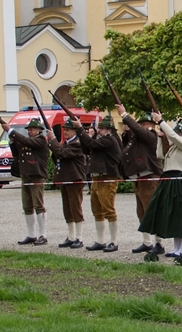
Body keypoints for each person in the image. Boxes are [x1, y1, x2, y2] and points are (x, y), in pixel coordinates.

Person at [139, 115, 182, 265]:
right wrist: (160, 138)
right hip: (168, 178)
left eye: (179, 133)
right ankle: (176, 247)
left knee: (181, 215)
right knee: (173, 216)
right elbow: (159, 154)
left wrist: (161, 122)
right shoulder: (172, 147)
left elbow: (173, 136)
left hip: (179, 179)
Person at [117, 105, 166, 255]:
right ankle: (147, 242)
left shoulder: (151, 135)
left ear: (150, 125)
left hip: (149, 177)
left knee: (152, 211)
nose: (141, 126)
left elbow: (138, 131)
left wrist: (125, 115)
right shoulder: (137, 138)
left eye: (143, 124)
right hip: (139, 177)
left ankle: (159, 243)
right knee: (141, 212)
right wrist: (126, 133)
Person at [75, 115, 122, 252]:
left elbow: (91, 144)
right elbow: (87, 148)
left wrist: (79, 129)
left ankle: (114, 241)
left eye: (101, 128)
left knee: (109, 210)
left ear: (109, 130)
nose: (98, 130)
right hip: (97, 178)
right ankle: (100, 240)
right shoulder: (102, 140)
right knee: (97, 211)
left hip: (107, 178)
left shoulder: (109, 140)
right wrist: (83, 134)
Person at [8, 118, 50, 246]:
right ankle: (32, 234)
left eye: (32, 129)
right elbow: (17, 153)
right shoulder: (29, 141)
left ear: (39, 130)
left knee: (39, 206)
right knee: (27, 206)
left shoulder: (41, 140)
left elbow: (26, 141)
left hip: (36, 176)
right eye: (29, 129)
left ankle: (43, 235)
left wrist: (11, 131)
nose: (30, 131)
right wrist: (12, 141)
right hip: (26, 175)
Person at [47, 118, 87, 249]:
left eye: (68, 130)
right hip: (65, 178)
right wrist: (53, 143)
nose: (66, 132)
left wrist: (53, 140)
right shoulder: (65, 143)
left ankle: (79, 237)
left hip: (74, 179)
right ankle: (71, 236)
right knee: (67, 209)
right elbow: (56, 155)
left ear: (75, 131)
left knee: (75, 208)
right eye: (65, 130)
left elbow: (61, 153)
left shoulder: (77, 143)